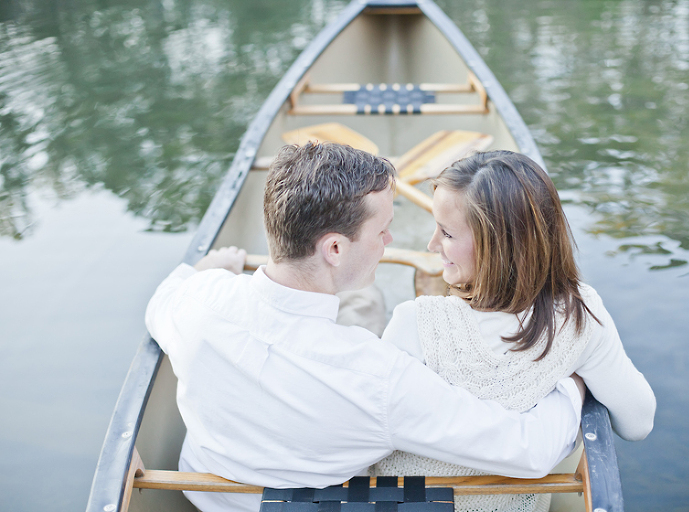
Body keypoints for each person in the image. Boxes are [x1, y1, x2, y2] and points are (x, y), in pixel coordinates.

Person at [145, 143, 586, 512]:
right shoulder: (378, 379)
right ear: (335, 248)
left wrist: (210, 268)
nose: (390, 242)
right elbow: (528, 450)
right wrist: (571, 382)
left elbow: (165, 296)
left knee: (363, 303)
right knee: (366, 303)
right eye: (383, 231)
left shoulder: (197, 301)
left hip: (207, 500)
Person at [372, 150, 656, 512]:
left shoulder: (414, 322)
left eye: (447, 233)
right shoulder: (580, 316)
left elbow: (372, 440)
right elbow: (638, 423)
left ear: (498, 246)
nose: (432, 245)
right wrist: (573, 387)